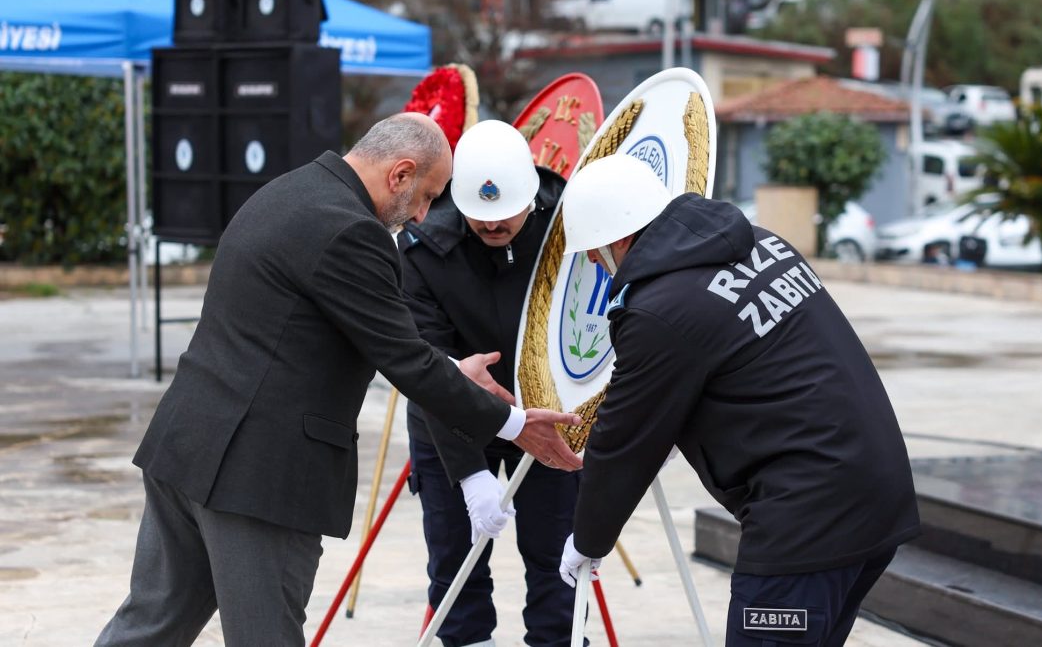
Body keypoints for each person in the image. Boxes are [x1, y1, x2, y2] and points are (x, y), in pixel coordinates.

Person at [95, 113, 582, 647]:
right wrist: (513, 424)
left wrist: (447, 370)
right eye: (426, 196)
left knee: (149, 627)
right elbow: (405, 360)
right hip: (257, 478)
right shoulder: (354, 232)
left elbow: (372, 340)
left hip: (186, 448)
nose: (423, 214)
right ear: (399, 173)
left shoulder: (289, 191)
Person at [555, 155, 920, 647]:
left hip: (806, 521)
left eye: (596, 253)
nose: (598, 265)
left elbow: (624, 439)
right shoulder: (764, 243)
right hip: (875, 493)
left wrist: (588, 538)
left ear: (619, 238)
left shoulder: (660, 310)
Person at [398, 120, 581, 647]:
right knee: (456, 565)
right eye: (480, 217)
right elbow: (426, 365)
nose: (494, 226)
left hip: (546, 414)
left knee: (557, 562)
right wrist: (469, 473)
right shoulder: (421, 247)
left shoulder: (569, 224)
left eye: (506, 215)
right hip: (451, 416)